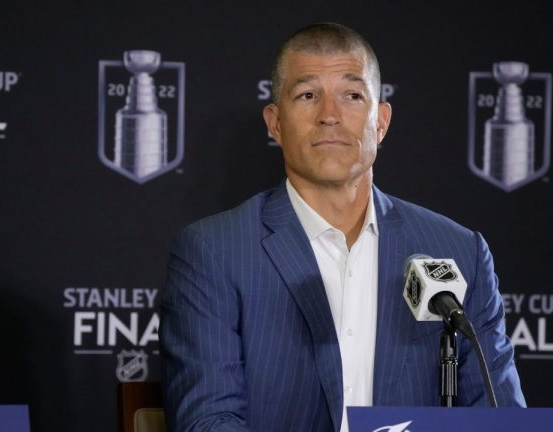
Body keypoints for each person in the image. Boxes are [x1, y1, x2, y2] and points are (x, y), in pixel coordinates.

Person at [160, 22, 525, 432]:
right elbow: (208, 422)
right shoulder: (214, 252)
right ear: (275, 123)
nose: (329, 116)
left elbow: (500, 419)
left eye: (352, 95)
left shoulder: (459, 252)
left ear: (381, 121)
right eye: (308, 95)